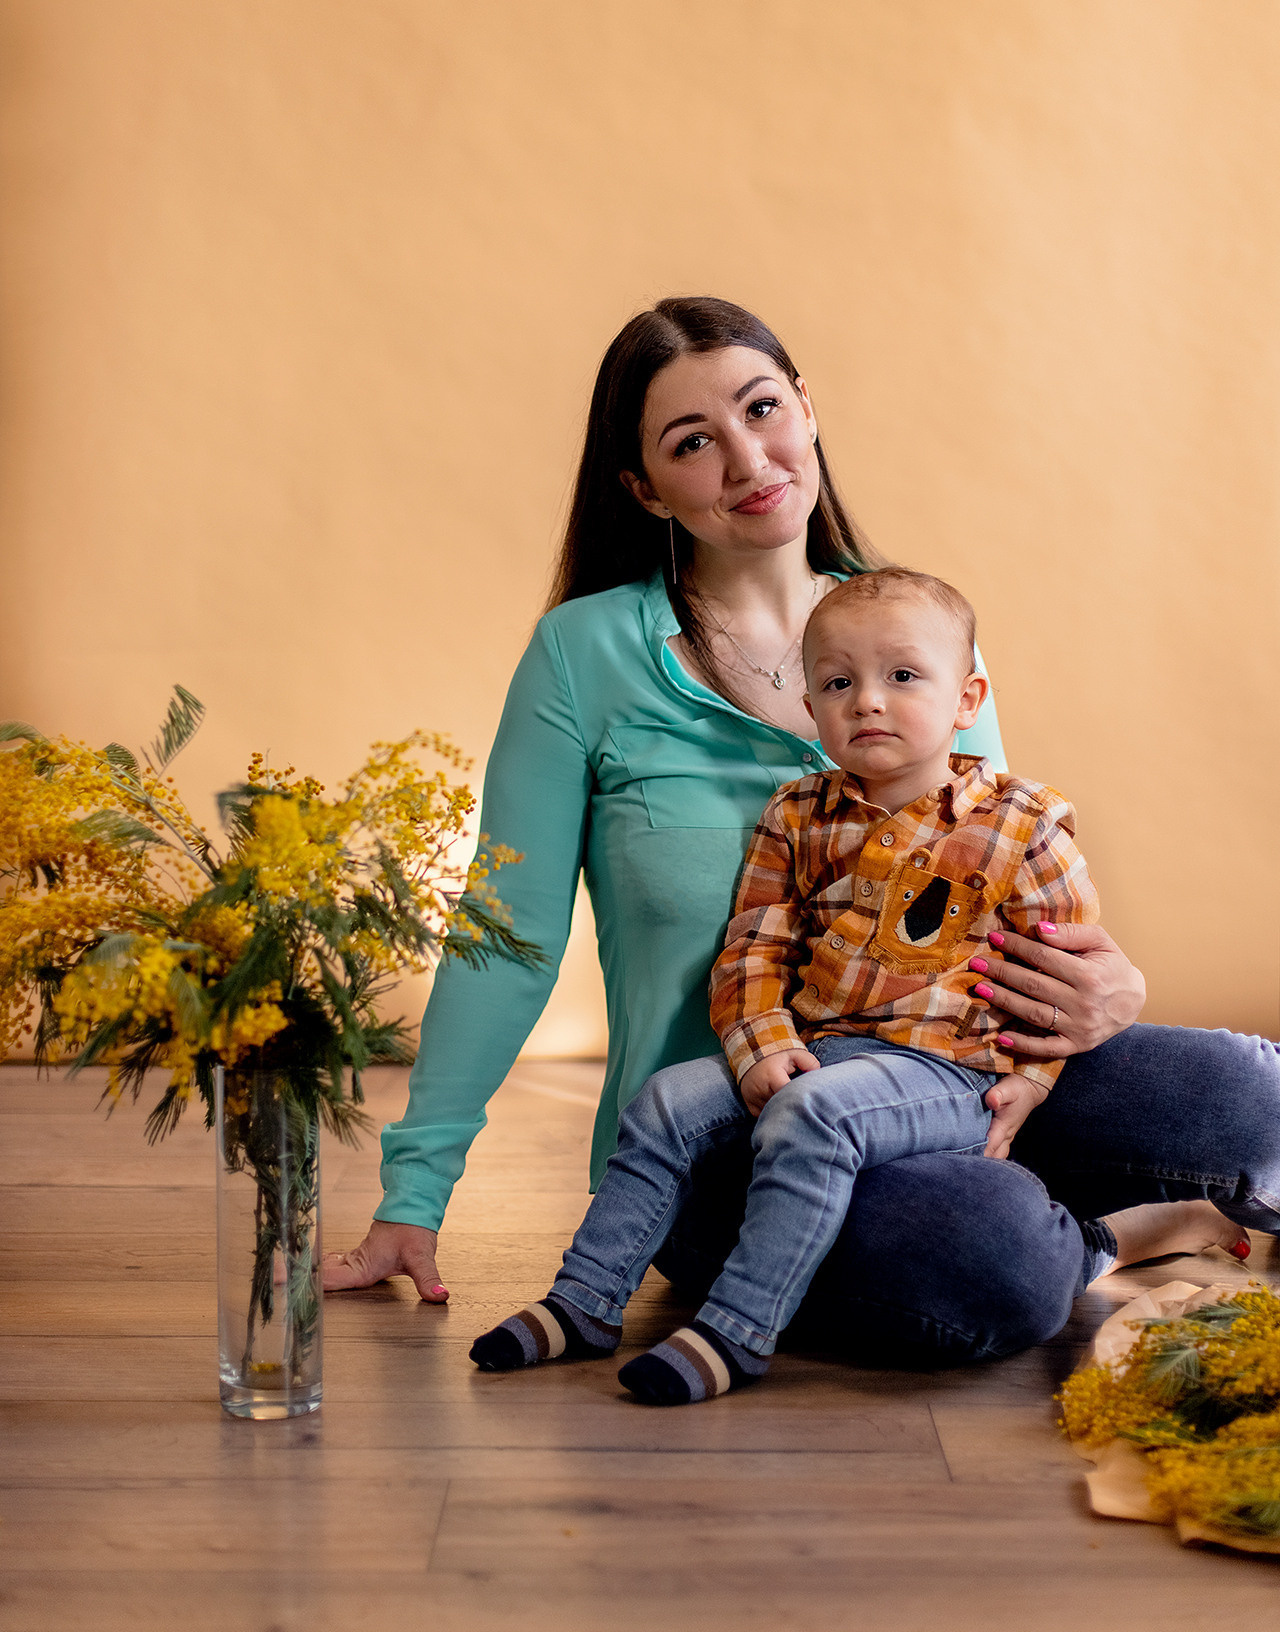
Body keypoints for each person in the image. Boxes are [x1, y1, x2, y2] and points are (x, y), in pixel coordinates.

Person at [324, 296, 1280, 1365]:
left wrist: (1105, 991)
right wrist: (414, 1193)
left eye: (761, 408)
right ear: (643, 489)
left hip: (934, 1077)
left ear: (806, 408)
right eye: (693, 443)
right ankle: (1117, 1232)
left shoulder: (914, 633)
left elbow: (998, 896)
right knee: (992, 1261)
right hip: (726, 1132)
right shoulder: (581, 653)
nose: (747, 458)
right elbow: (505, 933)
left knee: (1248, 1093)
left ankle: (1046, 1196)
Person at [467, 570, 1247, 1402]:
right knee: (663, 1101)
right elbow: (753, 950)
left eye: (902, 677)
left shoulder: (1023, 827)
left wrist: (1030, 1080)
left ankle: (737, 1329)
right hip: (819, 1049)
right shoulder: (797, 817)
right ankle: (582, 1302)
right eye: (838, 683)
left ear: (965, 698)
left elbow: (1056, 979)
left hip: (948, 1069)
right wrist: (762, 1044)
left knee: (817, 1113)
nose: (867, 701)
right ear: (811, 708)